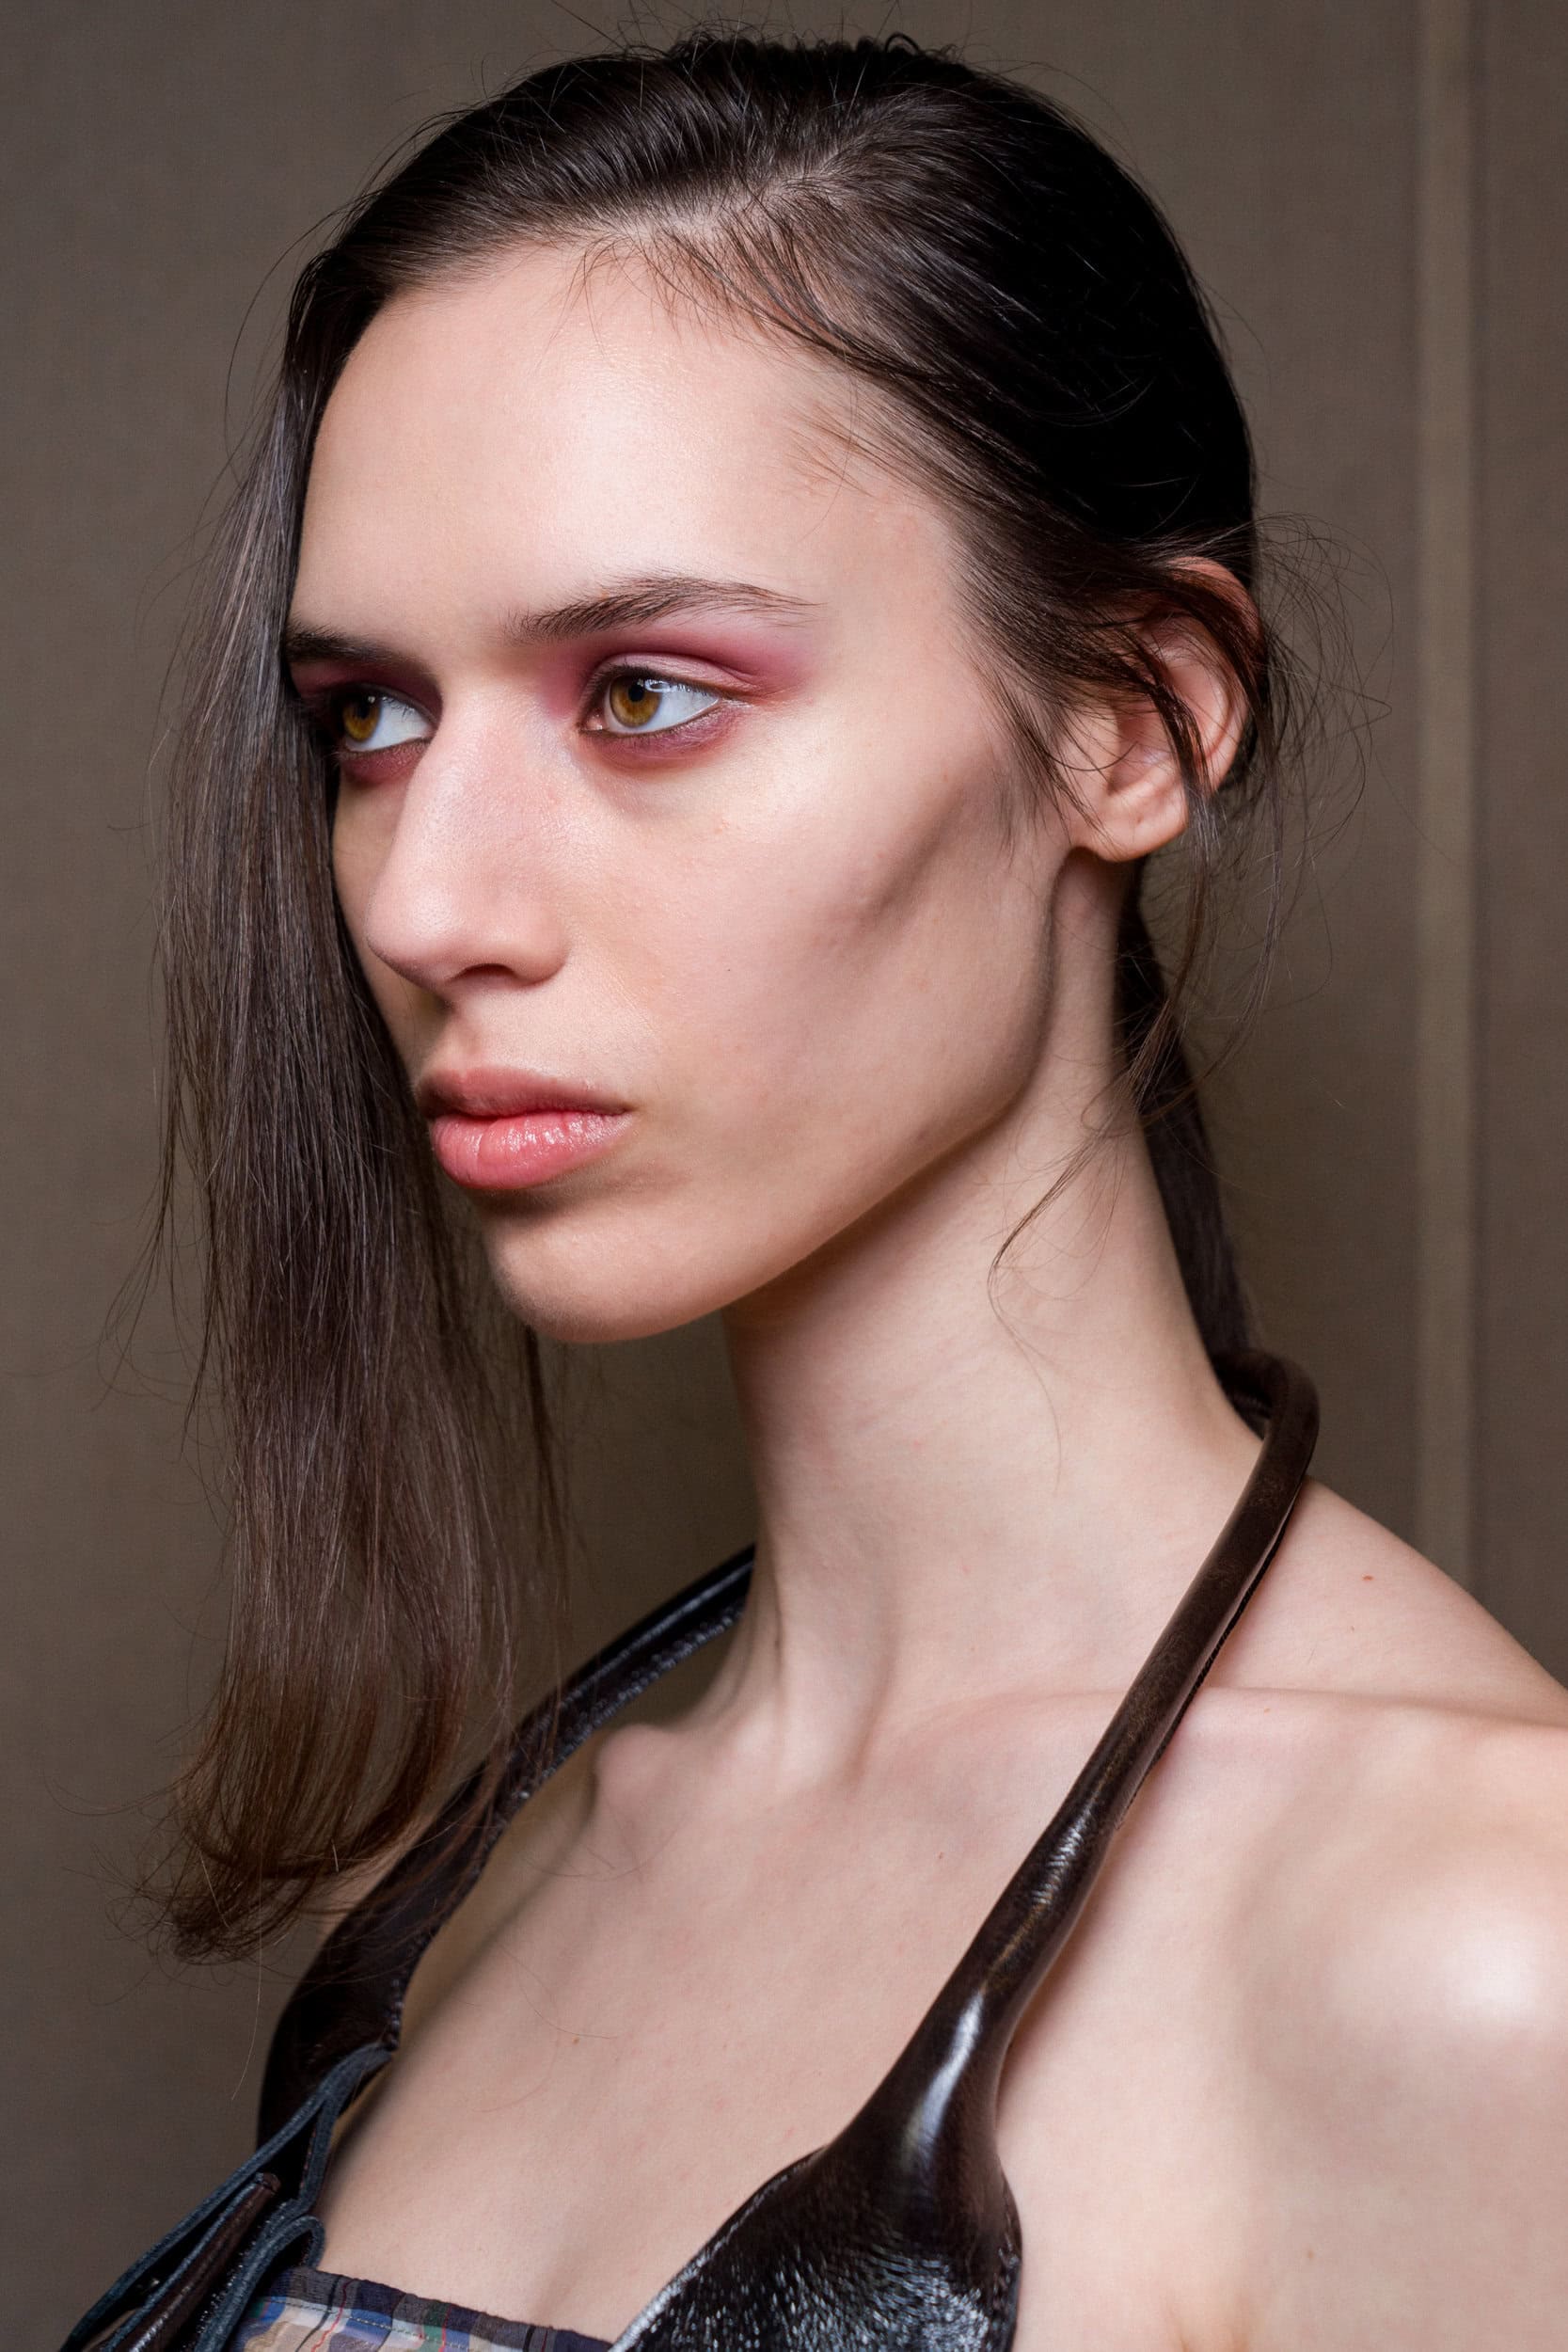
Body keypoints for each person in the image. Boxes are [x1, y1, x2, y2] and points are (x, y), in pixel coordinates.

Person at [65, 29, 1568, 2352]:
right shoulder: (501, 1884)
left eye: (643, 694)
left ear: (1136, 719)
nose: (425, 902)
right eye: (370, 715)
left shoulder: (1477, 1952)